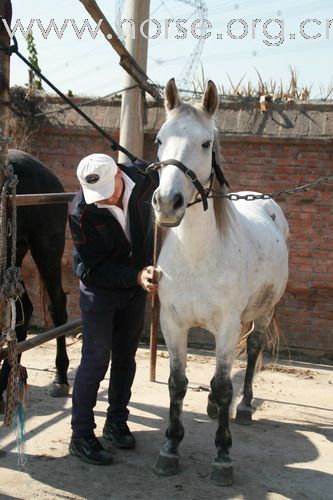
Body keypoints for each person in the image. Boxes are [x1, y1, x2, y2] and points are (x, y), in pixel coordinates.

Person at [68, 153, 158, 465]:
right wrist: (136, 275)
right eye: (96, 193)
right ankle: (80, 435)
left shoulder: (146, 179)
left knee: (125, 358)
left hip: (135, 287)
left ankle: (116, 421)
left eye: (109, 188)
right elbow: (94, 267)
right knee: (95, 360)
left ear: (119, 173)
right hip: (100, 290)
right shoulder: (81, 211)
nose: (104, 198)